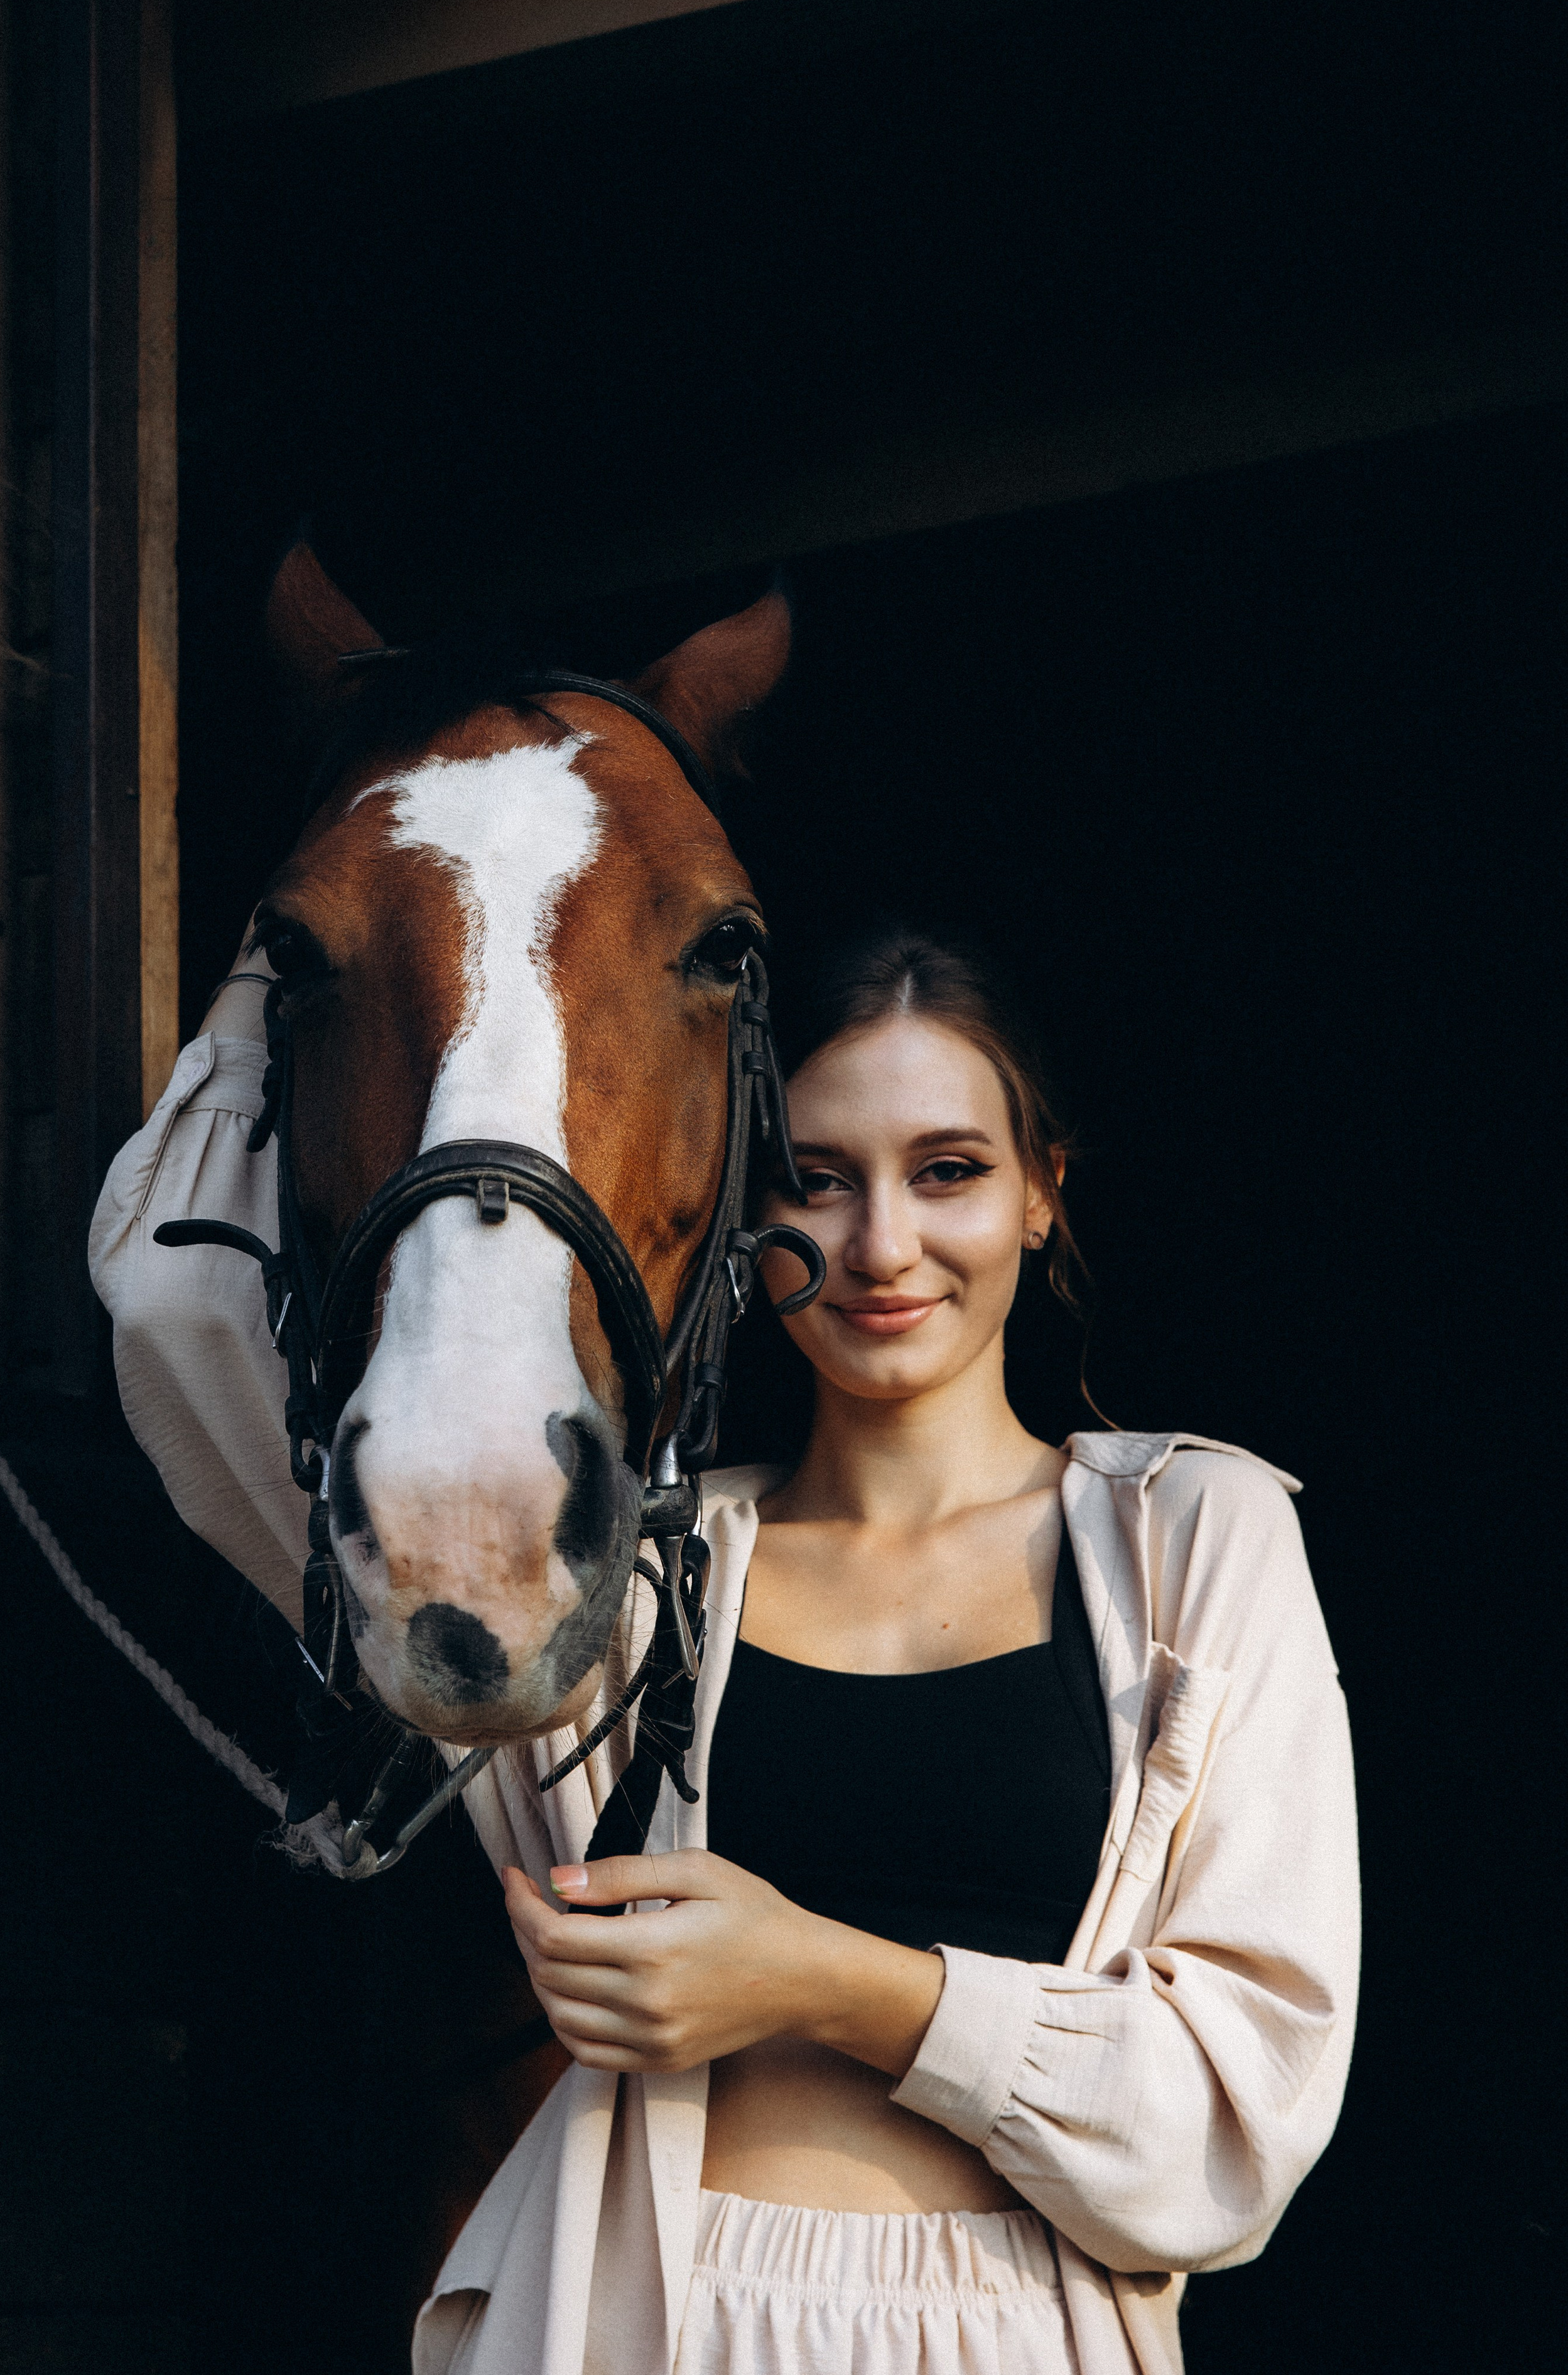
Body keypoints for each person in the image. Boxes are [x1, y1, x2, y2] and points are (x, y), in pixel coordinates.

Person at [92, 924, 1357, 2375]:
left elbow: (1235, 2116)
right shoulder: (614, 1583)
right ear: (746, 1220)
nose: (882, 1245)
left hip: (1018, 2328)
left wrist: (814, 1975)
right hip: (641, 2318)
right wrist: (290, 945)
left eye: (947, 1170)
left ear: (1040, 1196)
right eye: (814, 1180)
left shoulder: (1192, 1536)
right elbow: (175, 1305)